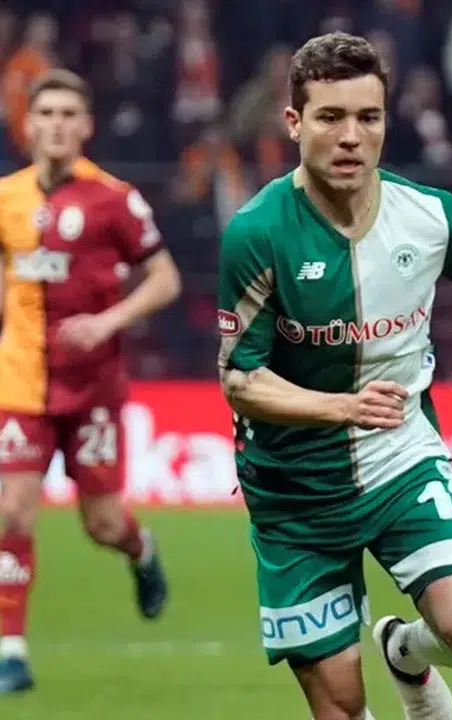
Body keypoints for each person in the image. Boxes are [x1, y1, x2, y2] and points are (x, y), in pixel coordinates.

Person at [216, 33, 452, 720]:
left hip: (400, 458)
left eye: (369, 117)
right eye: (330, 117)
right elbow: (239, 379)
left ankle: (405, 651)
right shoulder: (257, 233)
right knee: (342, 709)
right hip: (293, 490)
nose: (351, 137)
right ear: (294, 122)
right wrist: (342, 407)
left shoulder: (433, 216)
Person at [0, 69, 180, 694]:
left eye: (67, 114)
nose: (55, 125)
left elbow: (165, 278)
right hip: (21, 382)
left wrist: (107, 323)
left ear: (86, 126)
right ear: (28, 125)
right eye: (45, 113)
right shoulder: (6, 198)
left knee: (102, 523)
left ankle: (140, 549)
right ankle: (11, 652)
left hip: (93, 388)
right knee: (12, 511)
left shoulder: (115, 200)